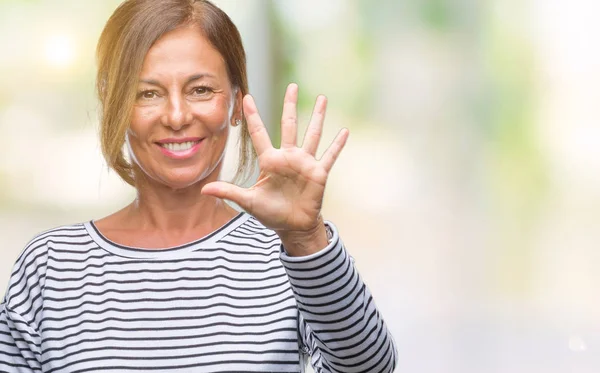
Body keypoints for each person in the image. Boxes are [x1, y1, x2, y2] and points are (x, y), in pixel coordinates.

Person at [0, 0, 397, 372]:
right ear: (114, 102)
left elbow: (370, 367)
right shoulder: (50, 267)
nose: (176, 116)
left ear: (237, 102)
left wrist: (307, 238)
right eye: (148, 93)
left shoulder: (290, 255)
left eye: (201, 89)